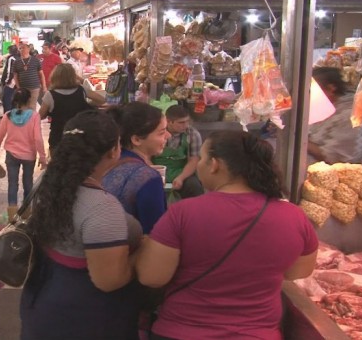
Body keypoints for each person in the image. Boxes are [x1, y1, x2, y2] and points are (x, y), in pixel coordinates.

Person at [136, 130, 318, 339]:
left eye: (203, 159)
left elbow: (152, 277)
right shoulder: (294, 216)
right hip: (257, 334)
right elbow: (297, 272)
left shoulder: (183, 213)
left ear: (215, 164)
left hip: (183, 331)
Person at [21, 110, 138, 340]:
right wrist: (145, 258)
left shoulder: (48, 181)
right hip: (85, 316)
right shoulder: (101, 208)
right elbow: (109, 280)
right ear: (114, 150)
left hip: (42, 298)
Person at [102, 102, 170, 233]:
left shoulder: (106, 163)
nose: (168, 136)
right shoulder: (147, 178)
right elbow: (156, 234)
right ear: (137, 139)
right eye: (161, 133)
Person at [0, 88, 47, 218]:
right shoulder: (34, 116)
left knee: (12, 183)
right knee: (28, 183)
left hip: (11, 155)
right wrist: (42, 157)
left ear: (15, 101)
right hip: (29, 156)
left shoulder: (8, 116)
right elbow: (38, 138)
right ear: (29, 100)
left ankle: (12, 215)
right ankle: (26, 213)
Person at [308, 66, 362, 165]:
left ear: (331, 88)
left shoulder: (349, 116)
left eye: (311, 91)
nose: (309, 96)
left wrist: (301, 142)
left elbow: (335, 157)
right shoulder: (320, 109)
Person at [39, 63, 104, 152]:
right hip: (80, 135)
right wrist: (88, 104)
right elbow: (101, 100)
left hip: (59, 137)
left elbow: (40, 116)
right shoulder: (81, 90)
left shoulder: (50, 95)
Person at [151, 105, 205, 199]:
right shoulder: (154, 131)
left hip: (181, 173)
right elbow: (145, 157)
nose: (186, 125)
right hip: (155, 171)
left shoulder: (192, 134)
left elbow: (193, 160)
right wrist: (154, 174)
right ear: (168, 122)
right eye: (181, 122)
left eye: (187, 121)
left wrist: (181, 178)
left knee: (194, 186)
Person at [13, 42, 45, 108]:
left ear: (28, 49)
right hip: (23, 88)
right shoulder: (16, 62)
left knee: (32, 106)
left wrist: (44, 86)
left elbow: (41, 74)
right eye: (20, 48)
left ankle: (32, 118)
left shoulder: (36, 60)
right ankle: (25, 118)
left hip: (34, 87)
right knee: (22, 106)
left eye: (23, 48)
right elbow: (15, 76)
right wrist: (18, 87)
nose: (21, 50)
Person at [0, 45, 19, 114]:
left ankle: (7, 118)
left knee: (7, 101)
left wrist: (6, 82)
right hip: (17, 83)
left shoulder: (11, 58)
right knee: (14, 102)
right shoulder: (19, 58)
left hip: (11, 83)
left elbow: (9, 71)